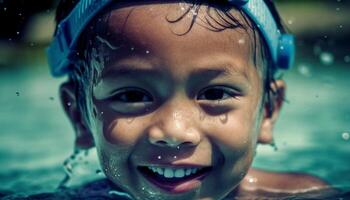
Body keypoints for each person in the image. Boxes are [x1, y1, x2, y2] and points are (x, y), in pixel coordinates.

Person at [47, 0, 328, 199]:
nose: (174, 132)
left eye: (215, 94)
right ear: (79, 116)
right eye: (132, 96)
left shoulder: (309, 195)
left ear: (267, 111)